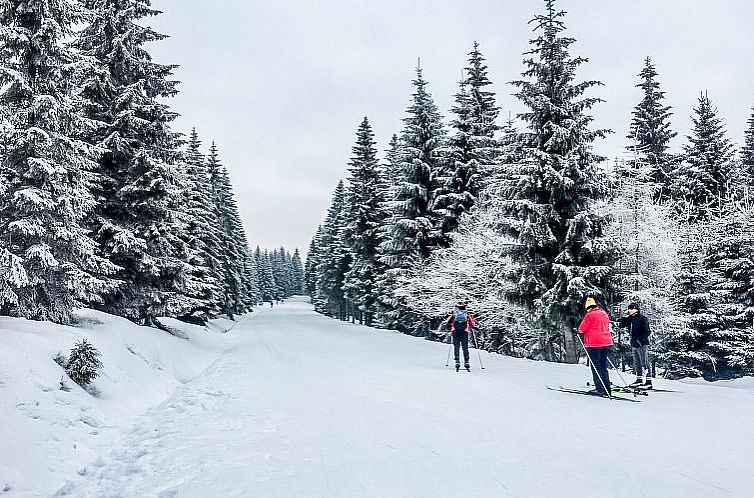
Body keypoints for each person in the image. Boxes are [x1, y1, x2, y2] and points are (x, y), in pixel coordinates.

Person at [577, 297, 614, 397]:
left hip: (594, 343)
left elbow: (581, 329)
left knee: (595, 366)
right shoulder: (604, 313)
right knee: (603, 366)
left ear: (588, 307)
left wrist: (578, 330)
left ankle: (599, 389)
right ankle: (607, 389)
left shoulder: (589, 315)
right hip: (606, 342)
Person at [618, 302, 652, 389]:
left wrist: (639, 340)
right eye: (629, 309)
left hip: (641, 344)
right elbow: (621, 325)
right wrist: (624, 317)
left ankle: (648, 381)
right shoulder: (630, 319)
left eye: (631, 309)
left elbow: (647, 331)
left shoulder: (642, 318)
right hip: (634, 344)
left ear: (636, 309)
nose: (630, 310)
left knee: (644, 362)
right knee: (637, 363)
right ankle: (639, 380)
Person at [445, 304, 477, 370]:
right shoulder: (467, 314)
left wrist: (450, 327)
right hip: (464, 331)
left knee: (456, 346)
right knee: (465, 347)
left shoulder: (454, 314)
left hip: (455, 331)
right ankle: (466, 361)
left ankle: (457, 361)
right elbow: (473, 323)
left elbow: (448, 322)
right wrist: (473, 327)